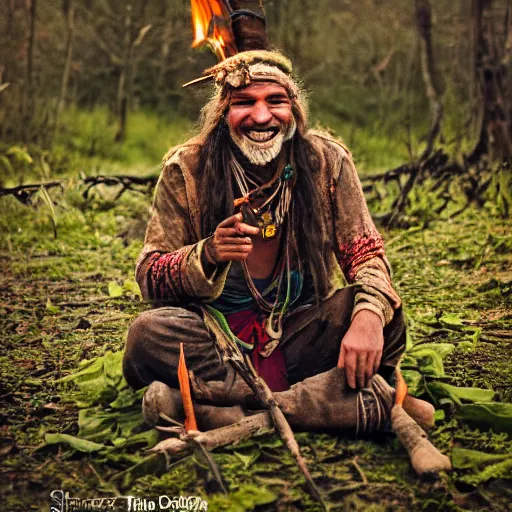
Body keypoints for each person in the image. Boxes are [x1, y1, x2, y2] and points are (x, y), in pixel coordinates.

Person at [122, 49, 434, 434]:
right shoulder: (187, 169)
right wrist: (208, 253)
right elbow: (150, 274)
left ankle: (221, 409)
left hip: (301, 338)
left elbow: (367, 256)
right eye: (244, 103)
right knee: (147, 336)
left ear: (294, 108)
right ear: (223, 113)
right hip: (217, 345)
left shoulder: (327, 162)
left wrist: (368, 316)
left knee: (384, 318)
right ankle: (323, 403)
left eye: (275, 101)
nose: (260, 116)